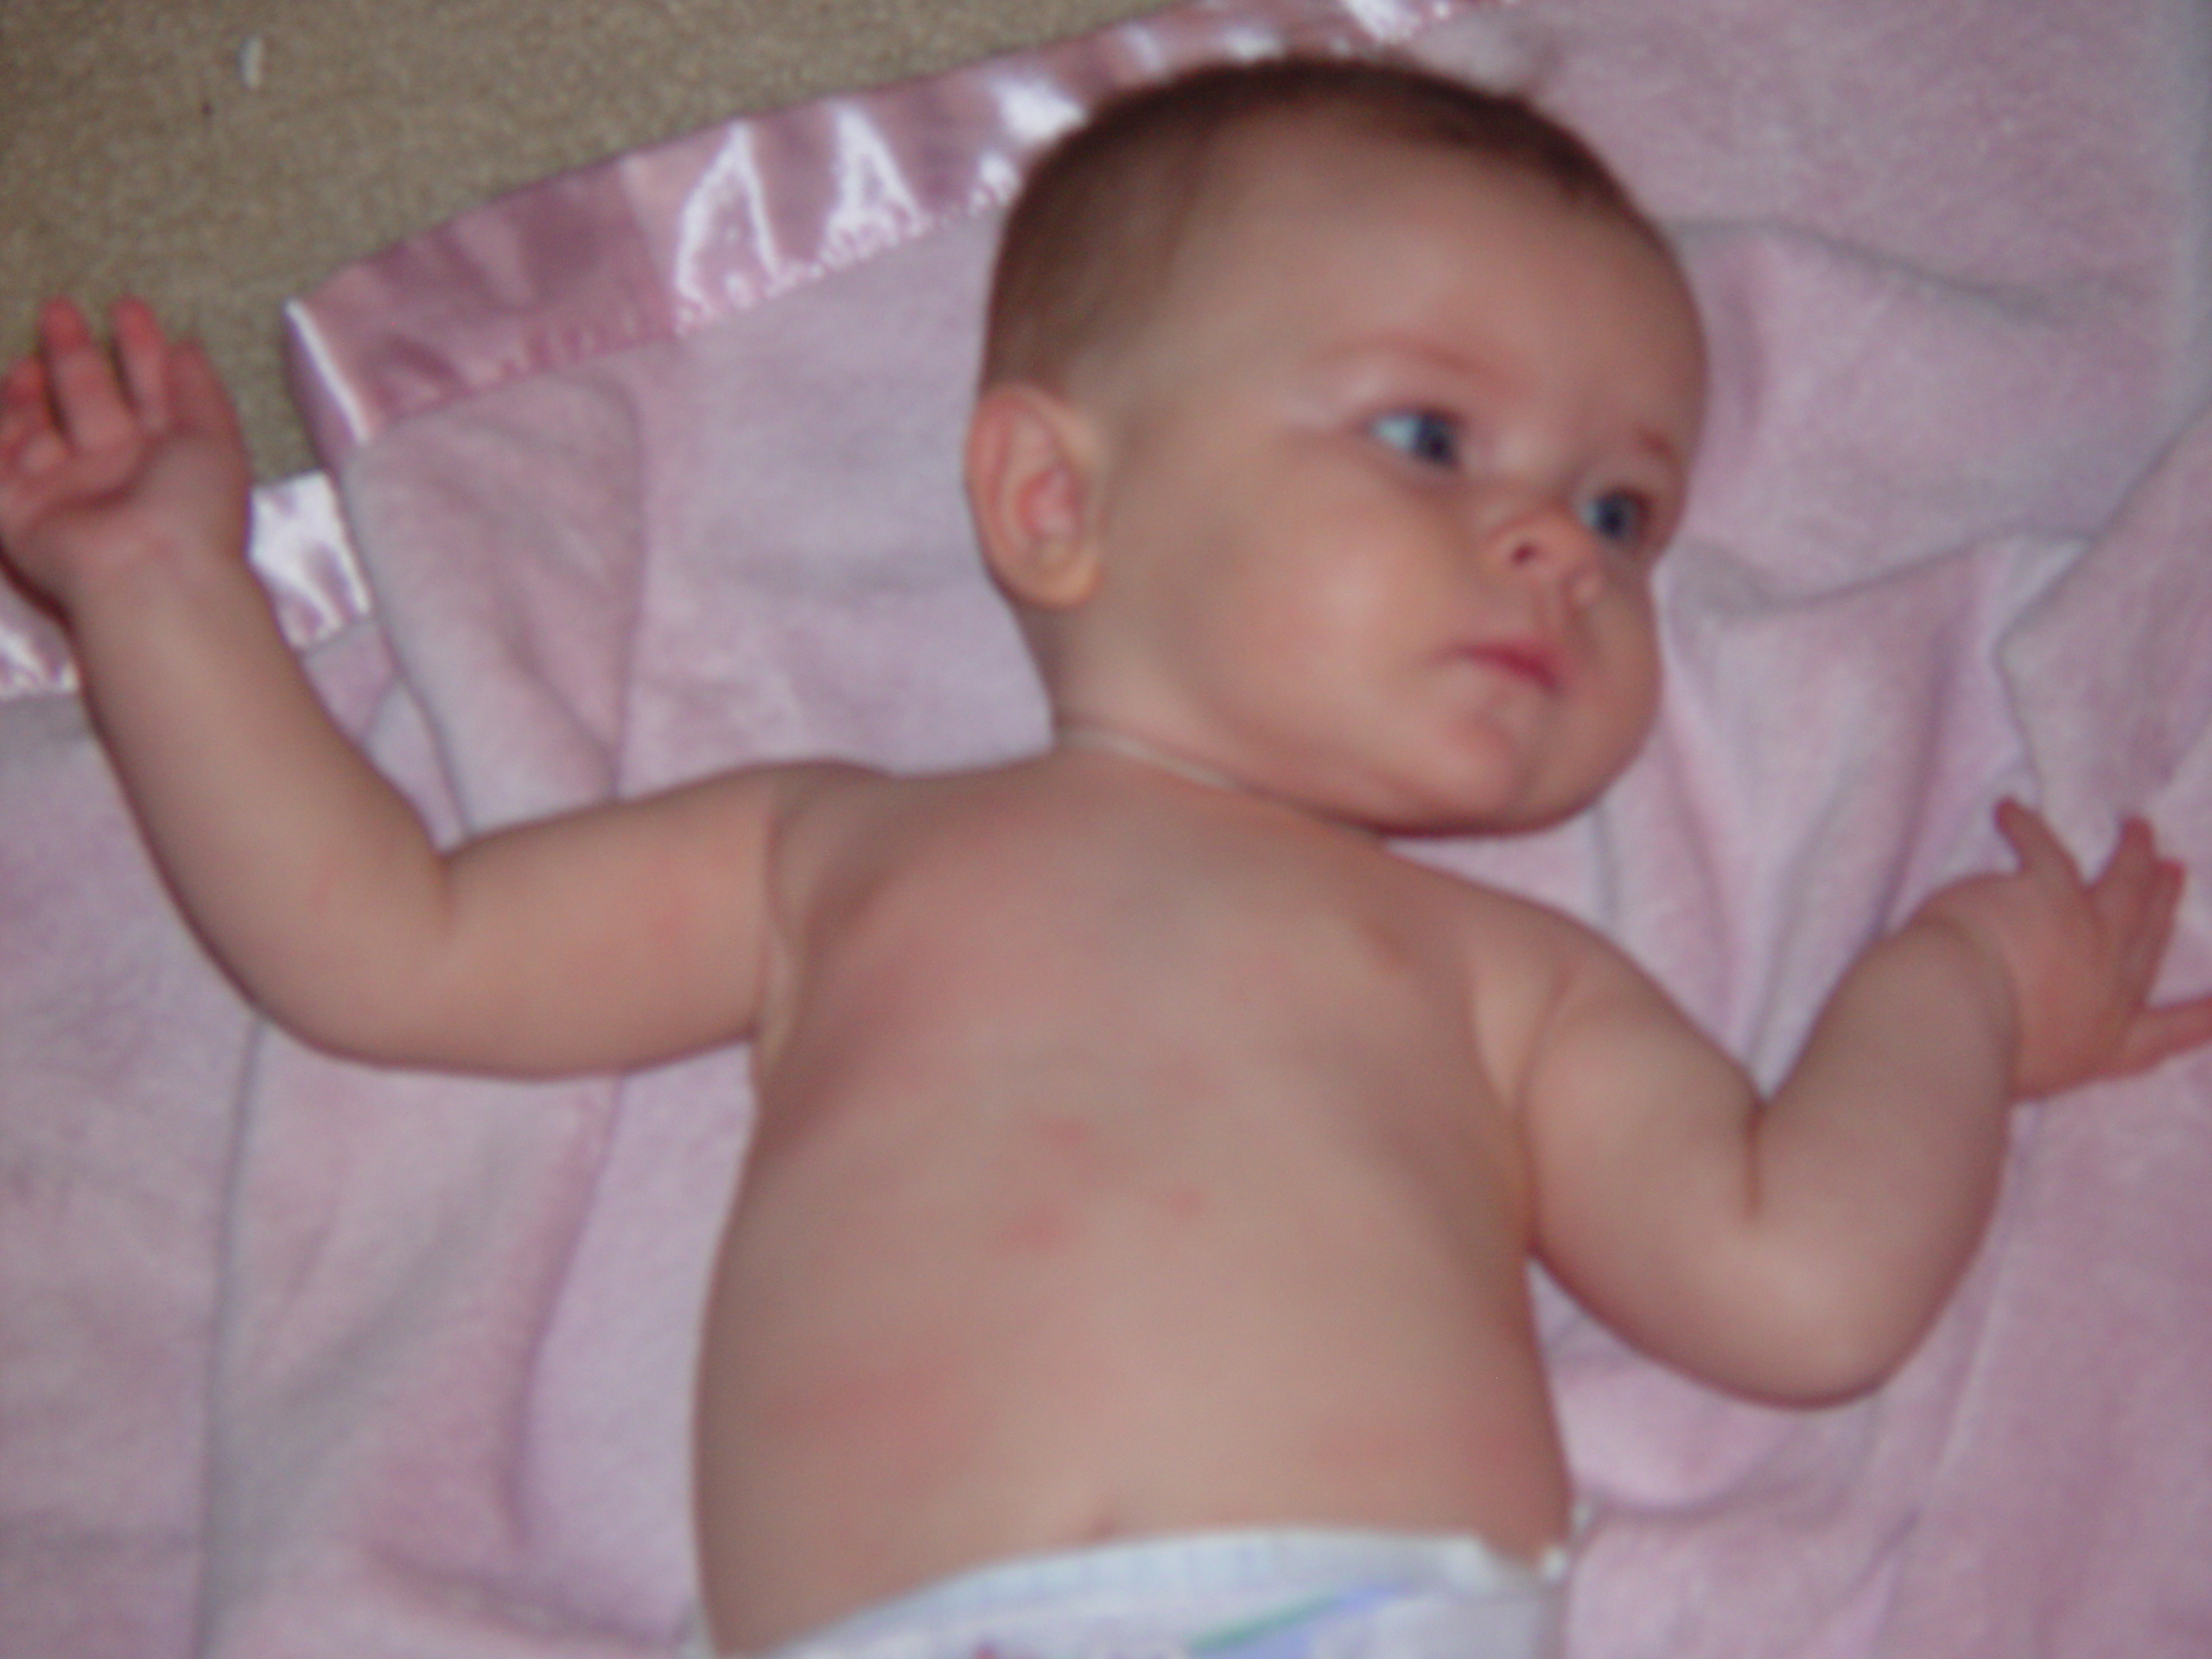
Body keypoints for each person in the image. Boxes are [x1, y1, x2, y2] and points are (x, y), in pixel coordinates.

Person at [4, 56, 2209, 1659]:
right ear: (1054, 501)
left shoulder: (1498, 982)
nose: (1555, 539)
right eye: (1425, 437)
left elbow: (1794, 1286)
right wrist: (163, 597)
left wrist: (1961, 994)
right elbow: (387, 947)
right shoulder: (829, 857)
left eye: (1625, 513)